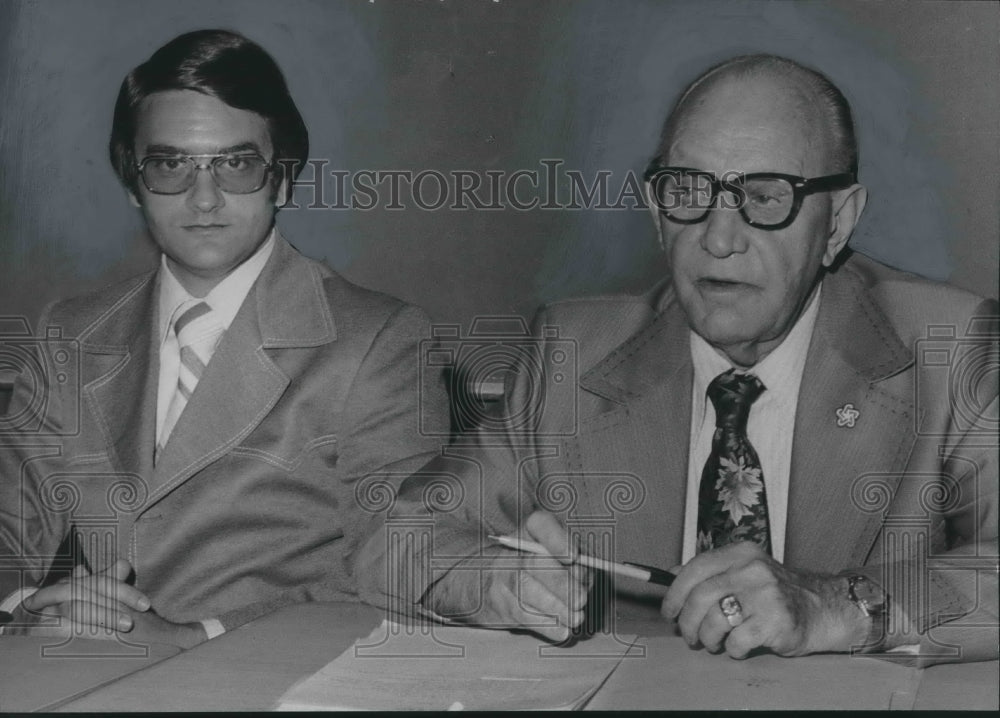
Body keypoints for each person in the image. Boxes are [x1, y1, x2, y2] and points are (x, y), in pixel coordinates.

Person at [357, 54, 998, 663]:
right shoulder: (570, 357)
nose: (718, 238)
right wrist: (495, 581)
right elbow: (394, 538)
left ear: (837, 223)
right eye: (688, 190)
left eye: (767, 196)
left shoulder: (947, 348)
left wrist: (839, 608)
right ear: (656, 214)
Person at [0, 29, 447, 648]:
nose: (203, 197)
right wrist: (27, 604)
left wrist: (198, 635)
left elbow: (402, 572)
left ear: (281, 181)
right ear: (133, 184)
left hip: (268, 677)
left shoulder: (381, 340)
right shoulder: (68, 334)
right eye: (170, 164)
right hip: (80, 669)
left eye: (236, 164)